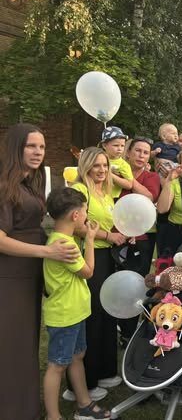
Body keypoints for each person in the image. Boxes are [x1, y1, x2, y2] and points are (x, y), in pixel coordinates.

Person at [0, 124, 79, 420]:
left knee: (26, 343)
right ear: (15, 148)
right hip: (10, 278)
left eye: (42, 147)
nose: (38, 152)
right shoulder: (4, 187)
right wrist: (47, 251)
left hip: (28, 275)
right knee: (12, 344)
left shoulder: (29, 183)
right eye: (31, 146)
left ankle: (24, 407)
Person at [42, 188, 110, 420]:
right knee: (57, 366)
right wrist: (90, 239)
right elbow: (88, 272)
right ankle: (53, 416)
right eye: (85, 211)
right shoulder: (66, 245)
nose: (86, 216)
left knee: (76, 357)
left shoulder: (62, 239)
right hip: (65, 315)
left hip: (74, 312)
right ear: (75, 215)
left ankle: (84, 403)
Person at [69, 147, 127, 402]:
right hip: (89, 255)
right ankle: (84, 382)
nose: (102, 170)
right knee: (92, 315)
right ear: (86, 166)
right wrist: (108, 236)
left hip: (106, 257)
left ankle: (104, 370)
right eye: (97, 165)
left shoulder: (105, 192)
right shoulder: (80, 190)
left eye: (105, 165)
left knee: (105, 313)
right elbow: (76, 226)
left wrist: (120, 235)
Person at [119, 136, 161, 343]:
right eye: (137, 151)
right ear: (128, 152)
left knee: (135, 284)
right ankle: (116, 324)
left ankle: (129, 332)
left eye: (145, 152)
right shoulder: (114, 173)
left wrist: (128, 179)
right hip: (116, 236)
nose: (141, 155)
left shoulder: (151, 176)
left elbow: (149, 196)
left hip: (142, 239)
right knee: (117, 281)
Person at [99, 126, 134, 199]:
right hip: (95, 195)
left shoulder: (123, 165)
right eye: (116, 145)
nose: (119, 149)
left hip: (112, 198)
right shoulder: (98, 158)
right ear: (104, 145)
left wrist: (110, 175)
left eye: (122, 146)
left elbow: (129, 184)